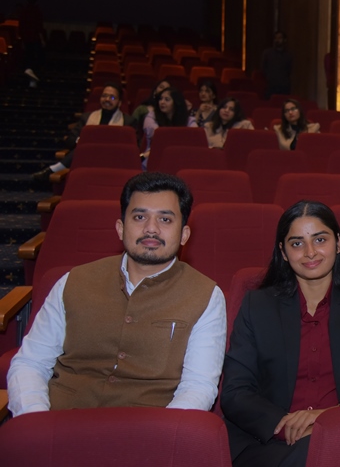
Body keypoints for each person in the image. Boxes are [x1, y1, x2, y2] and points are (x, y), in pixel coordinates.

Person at [7, 172, 227, 416]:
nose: (151, 229)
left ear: (184, 234)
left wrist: (164, 434)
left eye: (165, 219)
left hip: (148, 428)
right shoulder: (72, 282)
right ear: (121, 228)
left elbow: (197, 386)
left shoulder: (206, 296)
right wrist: (35, 419)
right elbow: (31, 362)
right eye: (140, 217)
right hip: (62, 419)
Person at [222, 200, 340, 467]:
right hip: (268, 443)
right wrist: (285, 426)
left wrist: (331, 416)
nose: (310, 252)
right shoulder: (257, 307)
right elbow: (235, 392)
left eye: (320, 240)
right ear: (283, 252)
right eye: (297, 243)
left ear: (338, 243)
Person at [31, 82, 136, 182]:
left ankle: (53, 169)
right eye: (104, 96)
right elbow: (70, 140)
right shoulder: (87, 117)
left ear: (119, 103)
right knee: (85, 146)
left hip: (112, 159)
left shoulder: (128, 121)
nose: (107, 99)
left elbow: (133, 147)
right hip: (86, 159)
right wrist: (82, 141)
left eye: (112, 97)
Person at [141, 87, 196, 169]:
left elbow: (195, 136)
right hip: (155, 157)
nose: (162, 102)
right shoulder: (151, 116)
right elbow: (159, 136)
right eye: (161, 99)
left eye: (167, 99)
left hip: (181, 158)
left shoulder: (189, 120)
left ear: (176, 102)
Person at [18, 0, 46, 88]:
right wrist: (42, 40)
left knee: (28, 56)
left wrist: (22, 40)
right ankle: (33, 76)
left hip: (26, 38)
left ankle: (29, 73)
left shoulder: (24, 11)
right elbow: (39, 27)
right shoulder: (37, 11)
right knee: (35, 57)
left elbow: (21, 27)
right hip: (35, 38)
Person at [260, 31, 292, 99]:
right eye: (276, 38)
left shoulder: (288, 55)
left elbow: (289, 70)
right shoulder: (267, 53)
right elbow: (263, 69)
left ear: (284, 40)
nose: (277, 40)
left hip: (284, 86)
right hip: (270, 85)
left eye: (280, 38)